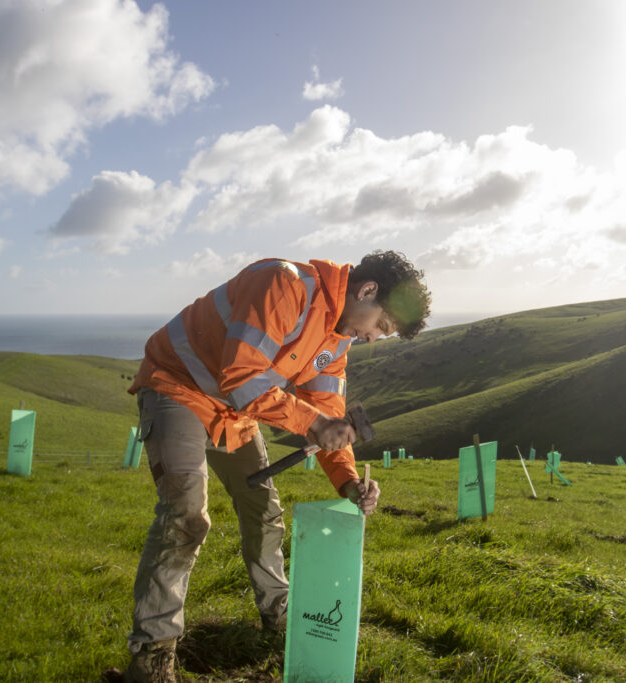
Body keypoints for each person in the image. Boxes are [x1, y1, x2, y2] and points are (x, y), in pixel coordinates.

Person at [117, 250, 431, 683]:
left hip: (233, 413)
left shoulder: (336, 340)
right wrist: (315, 424)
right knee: (186, 517)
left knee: (263, 511)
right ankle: (151, 656)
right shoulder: (284, 284)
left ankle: (278, 615)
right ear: (368, 290)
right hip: (178, 388)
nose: (374, 337)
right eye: (381, 325)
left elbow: (328, 416)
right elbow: (243, 376)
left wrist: (348, 481)